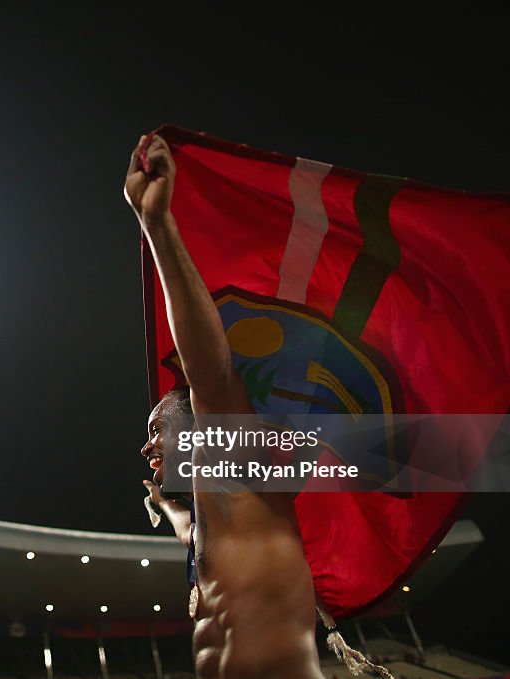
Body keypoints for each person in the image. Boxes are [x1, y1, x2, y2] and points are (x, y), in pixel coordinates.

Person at [126, 134, 325, 678]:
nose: (146, 445)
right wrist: (166, 505)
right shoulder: (218, 521)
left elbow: (209, 376)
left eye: (157, 428)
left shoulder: (236, 478)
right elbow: (191, 533)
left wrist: (157, 227)